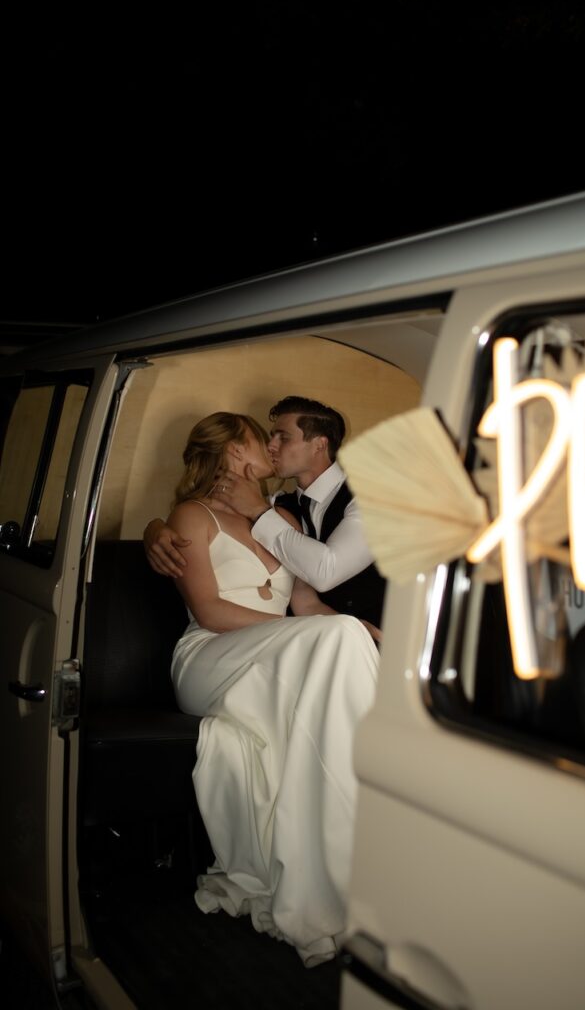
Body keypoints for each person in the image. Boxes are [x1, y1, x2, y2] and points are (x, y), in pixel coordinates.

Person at [168, 411, 380, 967]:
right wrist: (306, 630)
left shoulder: (282, 516)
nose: (269, 444)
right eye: (259, 438)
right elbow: (210, 610)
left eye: (279, 435)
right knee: (335, 638)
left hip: (272, 651)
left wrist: (362, 632)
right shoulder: (191, 516)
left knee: (345, 636)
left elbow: (308, 602)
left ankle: (344, 863)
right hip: (210, 657)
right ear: (234, 453)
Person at [144, 396, 386, 627]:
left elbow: (326, 572)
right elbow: (208, 518)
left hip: (377, 639)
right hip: (299, 637)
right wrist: (154, 529)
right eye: (269, 437)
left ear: (319, 445)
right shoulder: (279, 507)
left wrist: (259, 511)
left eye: (284, 438)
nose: (271, 446)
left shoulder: (374, 499)